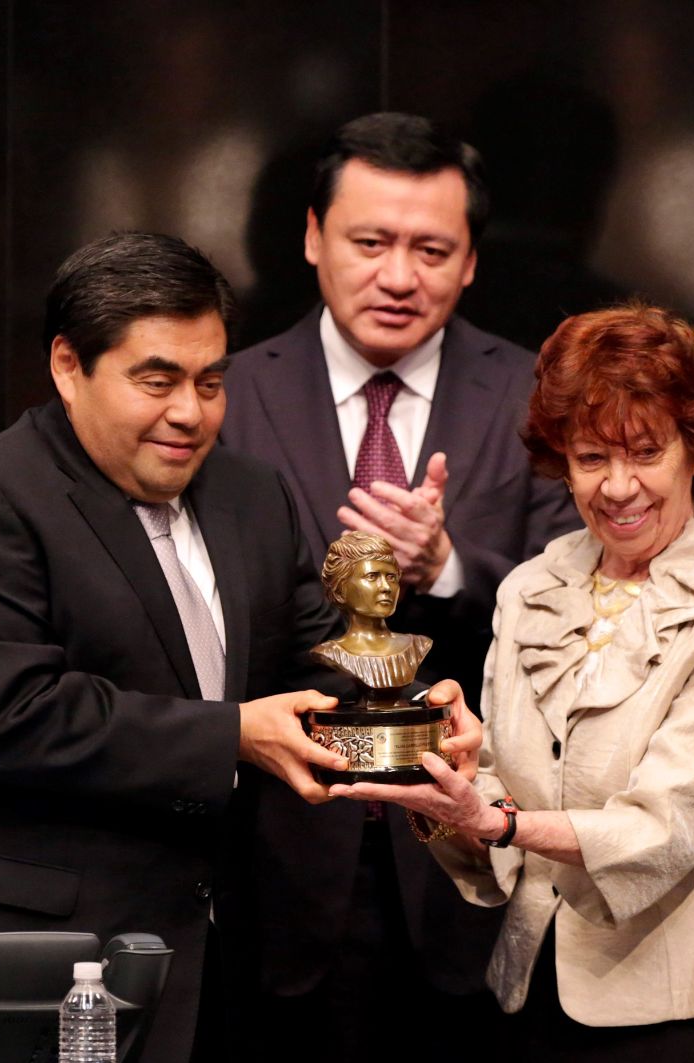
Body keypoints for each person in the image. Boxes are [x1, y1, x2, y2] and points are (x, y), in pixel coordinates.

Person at [0, 232, 476, 1063]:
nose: (190, 412)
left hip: (211, 969)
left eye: (211, 381)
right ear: (68, 367)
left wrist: (417, 726)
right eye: (157, 380)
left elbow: (316, 664)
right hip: (28, 965)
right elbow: (15, 715)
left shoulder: (252, 495)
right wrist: (234, 734)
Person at [335, 303, 694, 1061]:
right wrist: (450, 783)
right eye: (591, 458)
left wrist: (498, 821)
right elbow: (497, 790)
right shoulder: (530, 589)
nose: (618, 487)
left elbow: (665, 828)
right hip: (538, 994)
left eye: (645, 452)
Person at [219, 112, 577, 1046]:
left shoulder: (537, 397)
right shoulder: (225, 396)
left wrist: (447, 566)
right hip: (273, 854)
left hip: (474, 850)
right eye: (370, 242)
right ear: (311, 237)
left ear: (470, 264)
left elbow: (584, 611)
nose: (398, 275)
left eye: (431, 248)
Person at [312, 530, 433, 690]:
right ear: (340, 590)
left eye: (391, 577)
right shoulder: (329, 653)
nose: (386, 587)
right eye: (372, 576)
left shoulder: (419, 645)